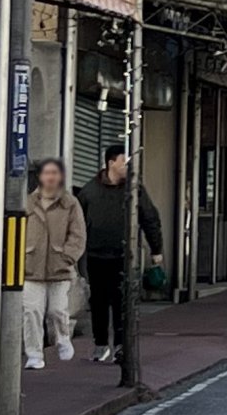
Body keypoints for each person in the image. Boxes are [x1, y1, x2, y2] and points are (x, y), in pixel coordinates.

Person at [76, 144, 163, 363]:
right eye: (124, 161)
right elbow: (77, 226)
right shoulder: (89, 191)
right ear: (111, 162)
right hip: (95, 256)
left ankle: (121, 346)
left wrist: (156, 249)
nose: (127, 166)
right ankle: (100, 343)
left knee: (122, 302)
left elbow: (150, 217)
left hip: (124, 256)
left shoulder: (134, 189)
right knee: (98, 302)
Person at [23, 158, 86, 369]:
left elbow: (78, 235)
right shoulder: (27, 203)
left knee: (57, 310)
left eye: (55, 173)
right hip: (30, 266)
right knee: (31, 311)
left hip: (59, 268)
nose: (51, 177)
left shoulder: (70, 203)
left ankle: (62, 338)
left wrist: (67, 257)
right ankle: (34, 354)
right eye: (47, 173)